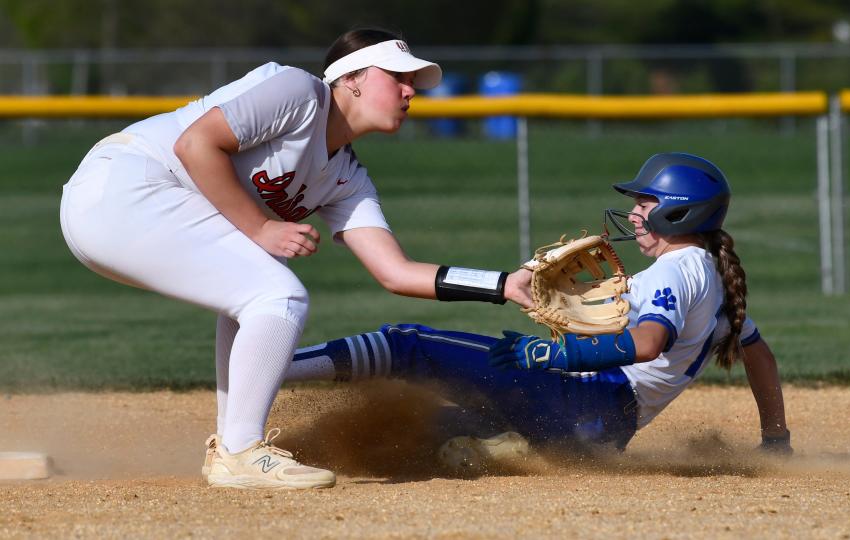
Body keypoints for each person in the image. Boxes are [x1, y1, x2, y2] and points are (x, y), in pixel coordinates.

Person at [59, 28, 532, 490]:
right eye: (396, 77)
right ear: (351, 79)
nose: (410, 91)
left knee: (258, 286)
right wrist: (261, 227)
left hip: (125, 214)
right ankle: (240, 452)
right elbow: (195, 144)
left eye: (412, 83)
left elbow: (396, 273)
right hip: (122, 187)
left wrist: (503, 284)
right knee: (278, 292)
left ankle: (231, 445)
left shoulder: (346, 176)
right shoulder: (298, 91)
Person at [285, 152, 793, 472]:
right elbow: (760, 355)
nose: (635, 212)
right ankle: (506, 446)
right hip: (603, 431)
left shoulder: (675, 269)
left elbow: (647, 343)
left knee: (406, 345)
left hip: (581, 396)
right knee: (417, 429)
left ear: (677, 211)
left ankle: (270, 369)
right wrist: (776, 439)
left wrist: (549, 351)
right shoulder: (714, 279)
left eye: (645, 201)